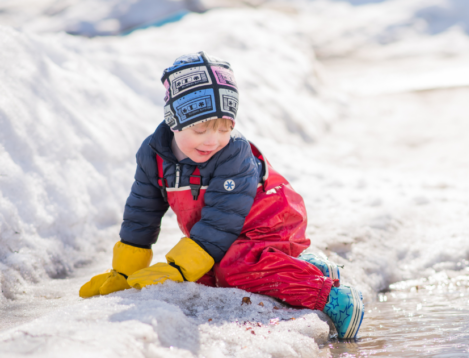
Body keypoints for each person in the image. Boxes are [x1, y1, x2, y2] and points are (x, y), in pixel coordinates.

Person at [78, 51, 364, 339]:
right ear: (174, 121)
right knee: (205, 277)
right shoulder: (153, 155)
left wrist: (182, 265)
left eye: (224, 127)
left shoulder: (233, 153)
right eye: (200, 128)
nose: (212, 140)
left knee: (234, 270)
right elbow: (142, 210)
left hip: (269, 220)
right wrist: (126, 270)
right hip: (222, 232)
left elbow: (221, 220)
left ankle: (330, 296)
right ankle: (305, 267)